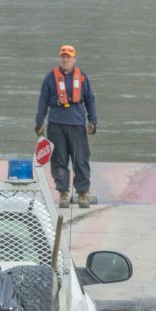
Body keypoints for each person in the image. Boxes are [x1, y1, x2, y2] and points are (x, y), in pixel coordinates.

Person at [35, 44, 97, 208]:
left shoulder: (82, 78)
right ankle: (63, 193)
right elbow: (43, 100)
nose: (65, 59)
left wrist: (93, 121)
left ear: (74, 59)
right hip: (56, 124)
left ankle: (83, 194)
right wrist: (39, 121)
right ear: (60, 58)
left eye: (69, 56)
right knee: (59, 161)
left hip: (77, 124)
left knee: (81, 160)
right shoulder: (50, 78)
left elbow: (90, 99)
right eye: (63, 56)